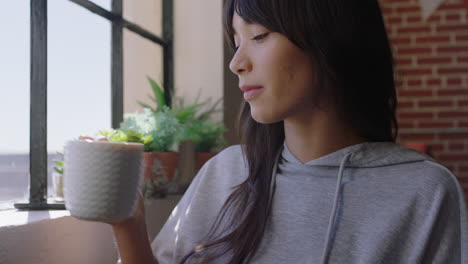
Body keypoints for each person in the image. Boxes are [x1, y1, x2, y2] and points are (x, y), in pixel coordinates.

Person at [108, 0, 468, 263]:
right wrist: (129, 226)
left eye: (259, 35)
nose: (237, 63)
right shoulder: (226, 172)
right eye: (236, 41)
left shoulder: (424, 192)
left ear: (330, 37)